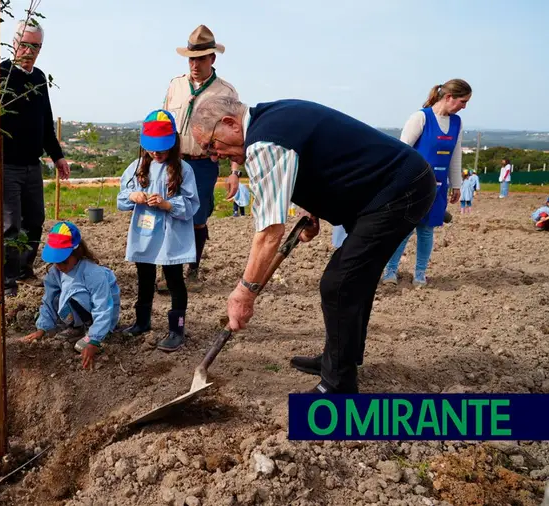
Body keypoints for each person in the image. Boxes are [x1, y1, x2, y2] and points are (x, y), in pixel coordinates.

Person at [190, 96, 435, 394]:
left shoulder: (265, 142)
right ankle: (340, 358)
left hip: (398, 191)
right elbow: (321, 158)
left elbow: (269, 234)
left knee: (340, 283)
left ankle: (338, 384)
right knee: (353, 280)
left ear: (229, 124)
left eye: (211, 145)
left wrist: (244, 292)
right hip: (389, 189)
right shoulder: (272, 118)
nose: (214, 155)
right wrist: (311, 208)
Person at [163, 25, 241, 285]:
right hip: (174, 161)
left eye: (201, 59)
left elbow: (235, 134)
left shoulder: (225, 93)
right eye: (191, 58)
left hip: (204, 165)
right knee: (171, 214)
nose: (195, 64)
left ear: (212, 59)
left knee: (197, 218)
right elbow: (163, 124)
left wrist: (233, 172)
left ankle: (193, 270)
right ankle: (169, 273)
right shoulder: (176, 85)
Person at [0, 20, 70, 296]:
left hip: (32, 165)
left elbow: (45, 122)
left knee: (35, 219)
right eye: (26, 44)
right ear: (14, 43)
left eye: (36, 46)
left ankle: (24, 270)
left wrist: (58, 156)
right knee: (9, 226)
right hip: (6, 165)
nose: (30, 51)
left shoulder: (39, 78)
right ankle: (6, 281)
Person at [118, 110, 199, 352]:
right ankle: (142, 321)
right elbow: (122, 199)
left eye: (162, 148)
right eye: (152, 148)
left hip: (171, 236)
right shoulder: (137, 167)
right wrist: (133, 195)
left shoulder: (184, 170)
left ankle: (177, 328)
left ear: (173, 143)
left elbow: (192, 204)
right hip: (145, 235)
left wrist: (167, 204)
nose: (156, 153)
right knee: (144, 277)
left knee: (174, 280)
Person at [382, 79, 471, 288]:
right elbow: (402, 152)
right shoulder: (421, 118)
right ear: (449, 97)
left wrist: (456, 184)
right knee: (405, 229)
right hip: (414, 185)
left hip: (439, 187)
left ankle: (420, 274)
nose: (464, 107)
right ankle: (390, 271)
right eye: (463, 101)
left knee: (427, 230)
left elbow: (455, 155)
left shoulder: (457, 123)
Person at [21, 222, 121, 369]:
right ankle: (76, 327)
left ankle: (95, 331)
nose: (60, 267)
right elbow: (48, 302)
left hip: (102, 316)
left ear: (77, 253)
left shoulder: (93, 273)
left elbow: (103, 306)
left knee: (75, 294)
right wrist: (42, 328)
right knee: (55, 295)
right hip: (80, 308)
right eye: (56, 262)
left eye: (64, 262)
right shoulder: (55, 273)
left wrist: (94, 340)